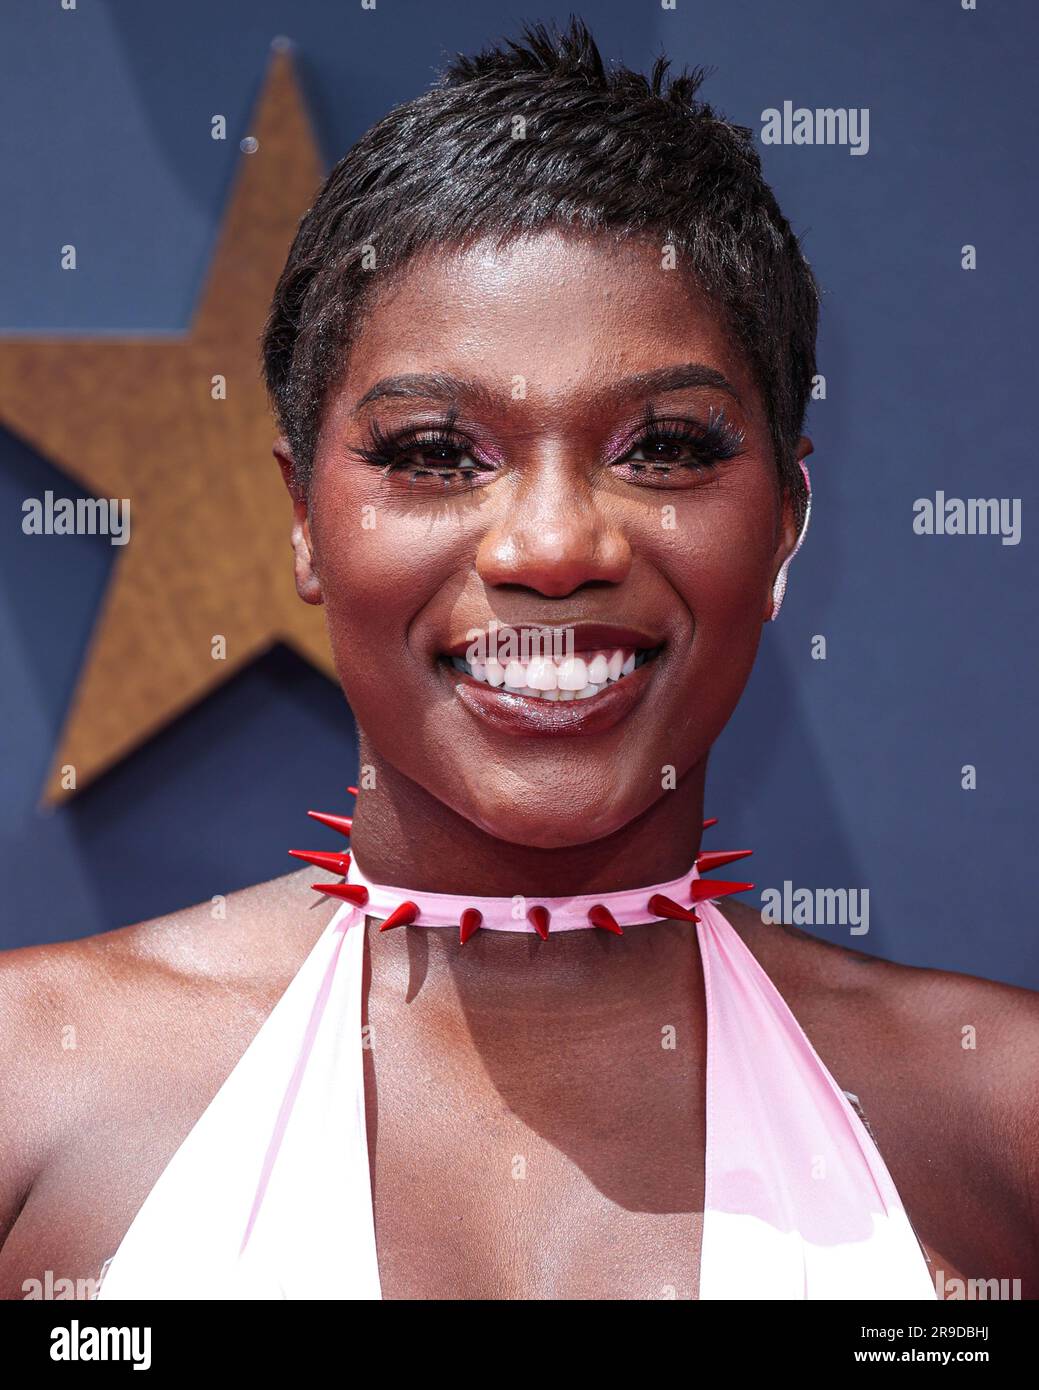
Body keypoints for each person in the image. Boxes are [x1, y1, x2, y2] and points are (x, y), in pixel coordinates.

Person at [1, 18, 1035, 1302]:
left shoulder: (1003, 1113)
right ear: (302, 521)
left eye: (663, 445)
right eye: (434, 452)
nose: (551, 545)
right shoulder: (27, 1082)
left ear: (784, 522)